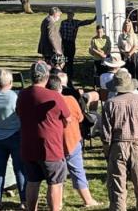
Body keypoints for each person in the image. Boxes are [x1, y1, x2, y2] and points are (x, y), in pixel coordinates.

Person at [16, 61, 70, 211]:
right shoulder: (54, 95)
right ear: (47, 77)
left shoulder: (22, 94)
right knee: (55, 183)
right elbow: (68, 119)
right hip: (50, 147)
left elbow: (18, 113)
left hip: (28, 145)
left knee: (32, 182)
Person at [101, 69, 138, 211]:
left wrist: (107, 153)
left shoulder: (110, 103)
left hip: (117, 145)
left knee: (117, 188)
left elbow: (106, 135)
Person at [46, 75, 101, 208]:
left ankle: (55, 203)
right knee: (77, 171)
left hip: (52, 143)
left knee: (54, 178)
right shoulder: (70, 100)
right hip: (70, 140)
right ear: (60, 87)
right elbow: (81, 118)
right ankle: (88, 200)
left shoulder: (43, 104)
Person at [0, 68, 26, 210]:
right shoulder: (16, 96)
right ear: (11, 82)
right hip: (15, 135)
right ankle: (24, 200)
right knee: (19, 170)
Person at [59, 11, 95, 78]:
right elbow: (60, 32)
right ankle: (63, 73)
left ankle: (70, 74)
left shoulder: (75, 22)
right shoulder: (63, 22)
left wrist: (93, 20)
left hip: (71, 43)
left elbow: (84, 22)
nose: (69, 16)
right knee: (64, 58)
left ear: (73, 16)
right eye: (68, 15)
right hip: (64, 42)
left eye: (71, 15)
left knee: (71, 59)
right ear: (67, 15)